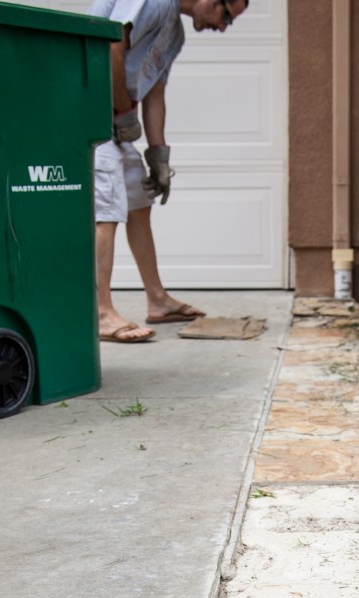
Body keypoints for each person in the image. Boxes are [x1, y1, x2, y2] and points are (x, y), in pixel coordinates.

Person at [89, 0, 249, 342]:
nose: (222, 27)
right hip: (86, 111)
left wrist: (158, 155)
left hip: (114, 122)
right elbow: (111, 44)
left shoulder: (174, 34)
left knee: (138, 203)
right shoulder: (155, 2)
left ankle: (157, 300)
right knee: (108, 211)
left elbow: (155, 94)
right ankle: (100, 313)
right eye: (226, 17)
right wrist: (123, 110)